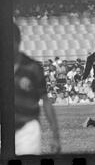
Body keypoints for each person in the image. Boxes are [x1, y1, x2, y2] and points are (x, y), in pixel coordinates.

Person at [13, 23, 60, 155]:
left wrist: (55, 135)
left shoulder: (33, 67)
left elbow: (46, 100)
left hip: (27, 130)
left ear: (18, 41)